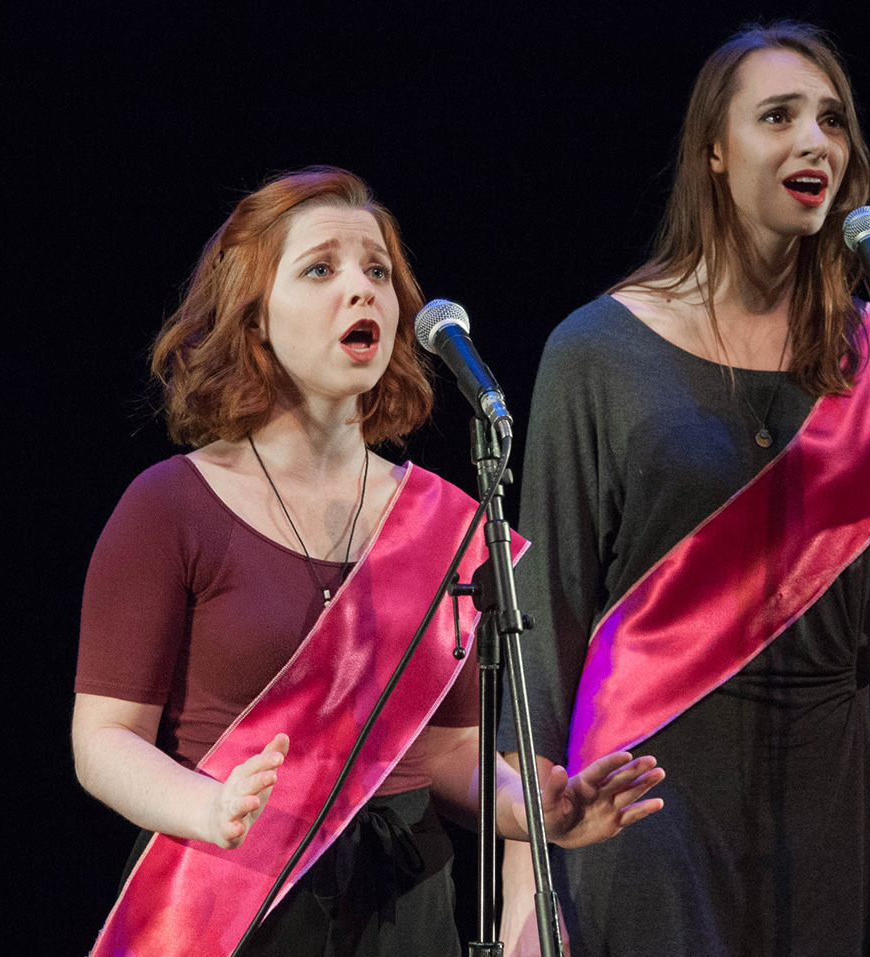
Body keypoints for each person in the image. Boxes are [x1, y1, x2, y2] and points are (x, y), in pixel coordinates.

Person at [72, 167, 663, 957]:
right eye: (321, 269)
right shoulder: (170, 506)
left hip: (404, 906)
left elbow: (449, 749)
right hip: (233, 901)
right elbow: (103, 739)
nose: (362, 290)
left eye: (377, 271)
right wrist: (205, 808)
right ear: (254, 319)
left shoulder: (446, 521)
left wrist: (537, 809)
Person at [497, 22, 870, 957]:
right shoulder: (596, 351)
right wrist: (526, 881)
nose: (814, 142)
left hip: (829, 809)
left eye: (832, 121)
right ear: (715, 149)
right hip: (646, 798)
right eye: (779, 116)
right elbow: (539, 625)